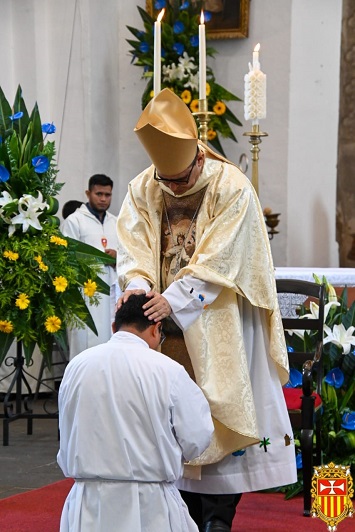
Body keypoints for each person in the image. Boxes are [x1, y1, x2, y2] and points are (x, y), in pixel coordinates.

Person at [116, 89, 297, 531]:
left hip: (217, 321)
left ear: (197, 157)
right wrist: (139, 289)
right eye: (168, 182)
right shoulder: (145, 186)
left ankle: (218, 519)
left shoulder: (230, 184)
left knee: (218, 415)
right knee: (167, 420)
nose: (173, 189)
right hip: (161, 329)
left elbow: (224, 257)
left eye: (180, 181)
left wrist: (174, 299)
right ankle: (179, 516)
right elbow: (133, 246)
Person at [57, 294, 214, 532]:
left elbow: (67, 427)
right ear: (156, 328)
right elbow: (197, 436)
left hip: (88, 502)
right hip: (149, 503)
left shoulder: (77, 366)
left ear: (114, 327)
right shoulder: (168, 370)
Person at [62, 174, 119, 359]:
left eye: (107, 195)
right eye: (99, 194)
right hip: (85, 293)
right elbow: (65, 257)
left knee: (111, 342)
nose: (103, 199)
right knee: (85, 343)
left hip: (111, 290)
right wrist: (96, 257)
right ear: (88, 193)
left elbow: (129, 254)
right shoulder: (75, 220)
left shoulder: (116, 222)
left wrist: (116, 257)